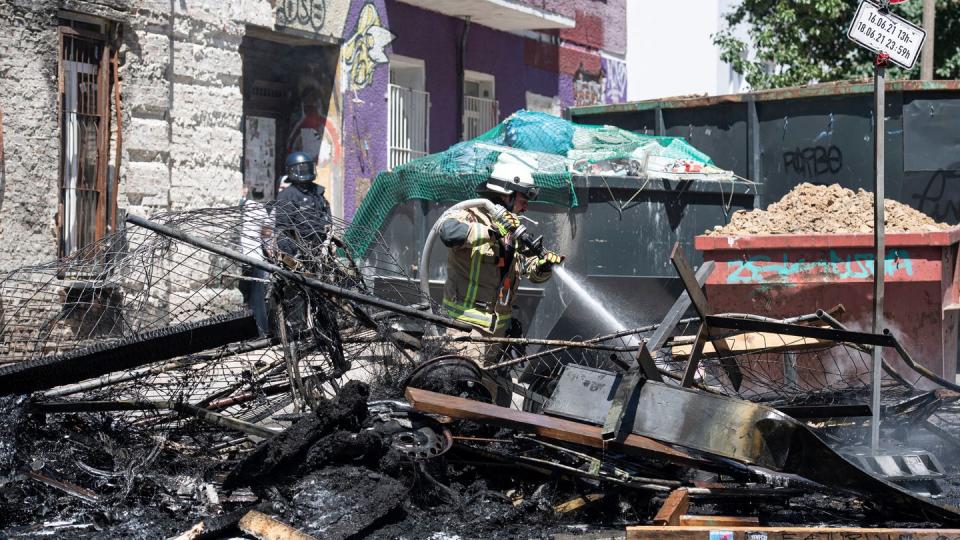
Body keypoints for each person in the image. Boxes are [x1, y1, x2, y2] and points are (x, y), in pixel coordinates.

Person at [438, 156, 565, 366]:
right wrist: (493, 231)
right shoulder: (470, 215)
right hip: (465, 330)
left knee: (489, 395)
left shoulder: (512, 228)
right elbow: (449, 234)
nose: (525, 208)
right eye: (523, 201)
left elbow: (527, 269)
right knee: (465, 391)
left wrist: (543, 266)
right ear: (507, 195)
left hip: (498, 334)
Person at [272, 151, 331, 266]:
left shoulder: (318, 192)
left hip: (320, 251)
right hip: (298, 254)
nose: (305, 171)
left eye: (307, 167)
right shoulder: (287, 195)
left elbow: (327, 218)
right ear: (292, 170)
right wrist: (293, 256)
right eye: (301, 168)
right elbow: (282, 229)